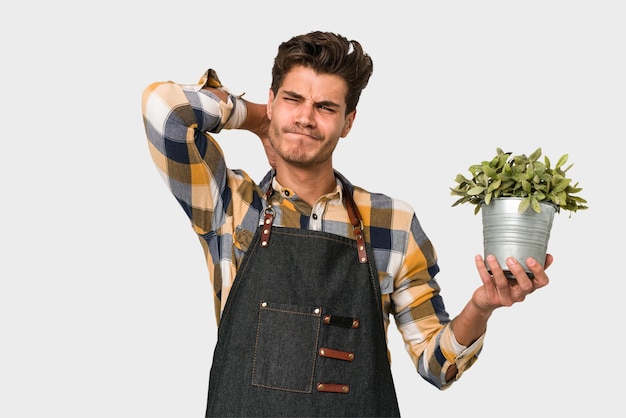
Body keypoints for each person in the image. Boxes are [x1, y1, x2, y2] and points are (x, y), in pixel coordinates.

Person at [141, 31, 551, 417]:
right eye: (292, 99)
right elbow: (166, 109)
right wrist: (256, 118)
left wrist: (481, 307)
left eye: (324, 107)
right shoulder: (227, 206)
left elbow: (436, 366)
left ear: (348, 122)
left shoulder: (393, 223)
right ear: (272, 100)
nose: (304, 117)